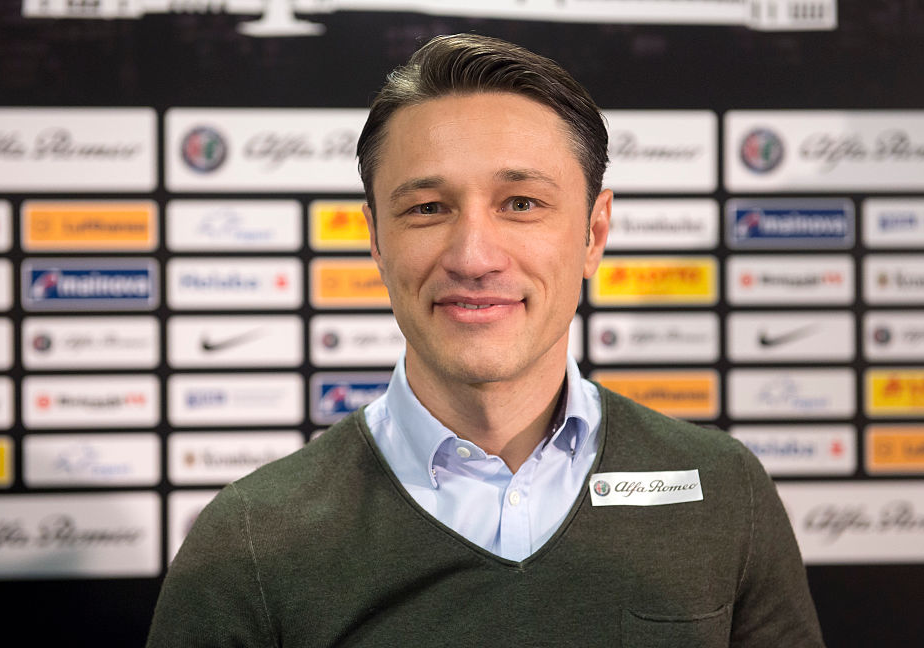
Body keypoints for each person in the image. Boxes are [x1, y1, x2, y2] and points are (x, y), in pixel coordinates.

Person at [147, 33, 824, 647]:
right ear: (376, 239)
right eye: (427, 208)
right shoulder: (249, 542)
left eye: (521, 204)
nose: (474, 256)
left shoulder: (725, 491)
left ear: (593, 233)